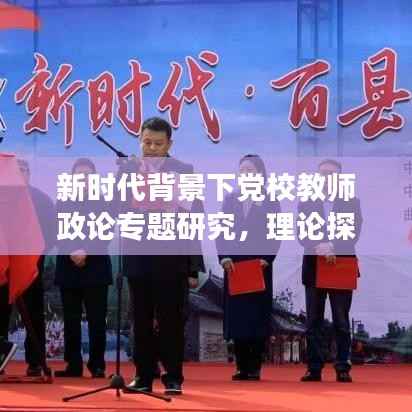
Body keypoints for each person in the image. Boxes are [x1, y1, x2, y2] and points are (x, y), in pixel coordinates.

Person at [119, 117, 204, 395]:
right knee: (140, 318)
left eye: (158, 144)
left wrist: (193, 267)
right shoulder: (129, 169)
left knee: (171, 318)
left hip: (171, 257)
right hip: (138, 254)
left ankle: (173, 376)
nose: (152, 149)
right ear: (139, 141)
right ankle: (143, 375)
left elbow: (194, 217)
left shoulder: (184, 171)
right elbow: (116, 207)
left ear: (169, 144)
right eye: (147, 143)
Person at [217, 154, 281, 381]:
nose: (245, 174)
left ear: (260, 174)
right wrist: (223, 257)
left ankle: (254, 366)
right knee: (238, 317)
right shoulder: (230, 199)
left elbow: (276, 232)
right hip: (234, 266)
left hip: (258, 266)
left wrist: (267, 258)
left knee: (256, 316)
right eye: (242, 170)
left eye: (250, 170)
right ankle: (241, 366)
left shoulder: (270, 200)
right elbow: (222, 230)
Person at [298, 159, 362, 383]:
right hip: (314, 267)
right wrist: (320, 246)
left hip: (340, 266)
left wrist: (333, 246)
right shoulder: (307, 201)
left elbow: (354, 230)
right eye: (323, 174)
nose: (326, 178)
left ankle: (342, 366)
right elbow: (301, 232)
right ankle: (314, 368)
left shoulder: (351, 202)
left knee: (341, 321)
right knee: (313, 321)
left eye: (331, 174)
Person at [54, 158, 112, 378]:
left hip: (95, 268)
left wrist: (86, 250)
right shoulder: (63, 200)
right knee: (71, 319)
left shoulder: (103, 201)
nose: (84, 179)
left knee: (97, 320)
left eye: (88, 175)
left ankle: (97, 364)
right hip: (68, 267)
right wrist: (72, 250)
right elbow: (56, 229)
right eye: (79, 175)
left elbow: (106, 232)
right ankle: (73, 364)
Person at [0, 159, 55, 377]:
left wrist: (36, 254)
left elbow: (51, 232)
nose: (21, 173)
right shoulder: (2, 196)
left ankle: (36, 362)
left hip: (31, 265)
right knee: (1, 311)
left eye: (24, 169)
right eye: (17, 169)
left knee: (33, 313)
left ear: (30, 174)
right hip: (4, 265)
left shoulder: (41, 199)